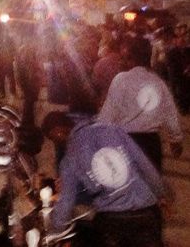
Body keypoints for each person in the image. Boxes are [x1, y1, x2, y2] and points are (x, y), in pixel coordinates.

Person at [42, 111, 165, 247]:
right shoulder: (110, 129)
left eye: (53, 139)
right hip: (145, 210)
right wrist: (160, 194)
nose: (57, 144)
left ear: (58, 132)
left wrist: (54, 231)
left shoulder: (70, 158)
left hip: (112, 222)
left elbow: (66, 201)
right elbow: (144, 164)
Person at [99, 36, 183, 170]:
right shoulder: (158, 82)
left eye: (124, 57)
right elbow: (170, 113)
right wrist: (175, 139)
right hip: (151, 145)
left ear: (132, 58)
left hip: (126, 143)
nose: (121, 61)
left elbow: (108, 114)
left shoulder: (121, 80)